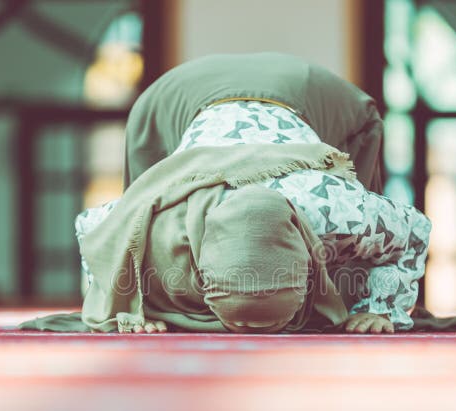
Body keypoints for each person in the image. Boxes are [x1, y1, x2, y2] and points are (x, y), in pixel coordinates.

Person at [64, 53, 432, 335]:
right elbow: (93, 230)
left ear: (308, 260)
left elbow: (413, 230)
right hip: (183, 93)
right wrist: (131, 310)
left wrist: (380, 309)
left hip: (306, 91)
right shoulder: (162, 225)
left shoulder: (336, 212)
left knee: (362, 247)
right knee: (135, 208)